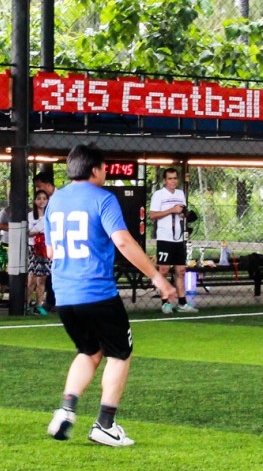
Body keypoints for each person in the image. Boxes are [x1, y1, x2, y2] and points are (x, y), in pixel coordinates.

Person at [44, 144, 177, 447]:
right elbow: (123, 242)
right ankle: (105, 425)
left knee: (89, 352)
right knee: (119, 354)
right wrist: (157, 277)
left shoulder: (56, 201)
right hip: (97, 292)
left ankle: (66, 410)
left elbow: (51, 251)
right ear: (95, 170)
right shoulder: (103, 199)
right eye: (104, 168)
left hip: (64, 295)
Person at [148, 168, 192, 312]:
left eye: (175, 178)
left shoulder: (180, 194)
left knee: (181, 270)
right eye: (170, 179)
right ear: (164, 180)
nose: (173, 181)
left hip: (178, 238)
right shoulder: (158, 195)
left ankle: (182, 302)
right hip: (165, 238)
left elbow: (182, 212)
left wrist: (184, 214)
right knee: (164, 270)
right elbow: (153, 215)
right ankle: (165, 302)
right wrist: (171, 210)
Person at [26, 186, 52, 315]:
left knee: (42, 279)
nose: (42, 201)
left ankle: (39, 304)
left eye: (44, 198)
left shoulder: (51, 215)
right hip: (33, 249)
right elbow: (27, 232)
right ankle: (26, 303)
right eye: (39, 198)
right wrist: (39, 233)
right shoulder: (30, 216)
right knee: (31, 279)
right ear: (35, 201)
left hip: (46, 249)